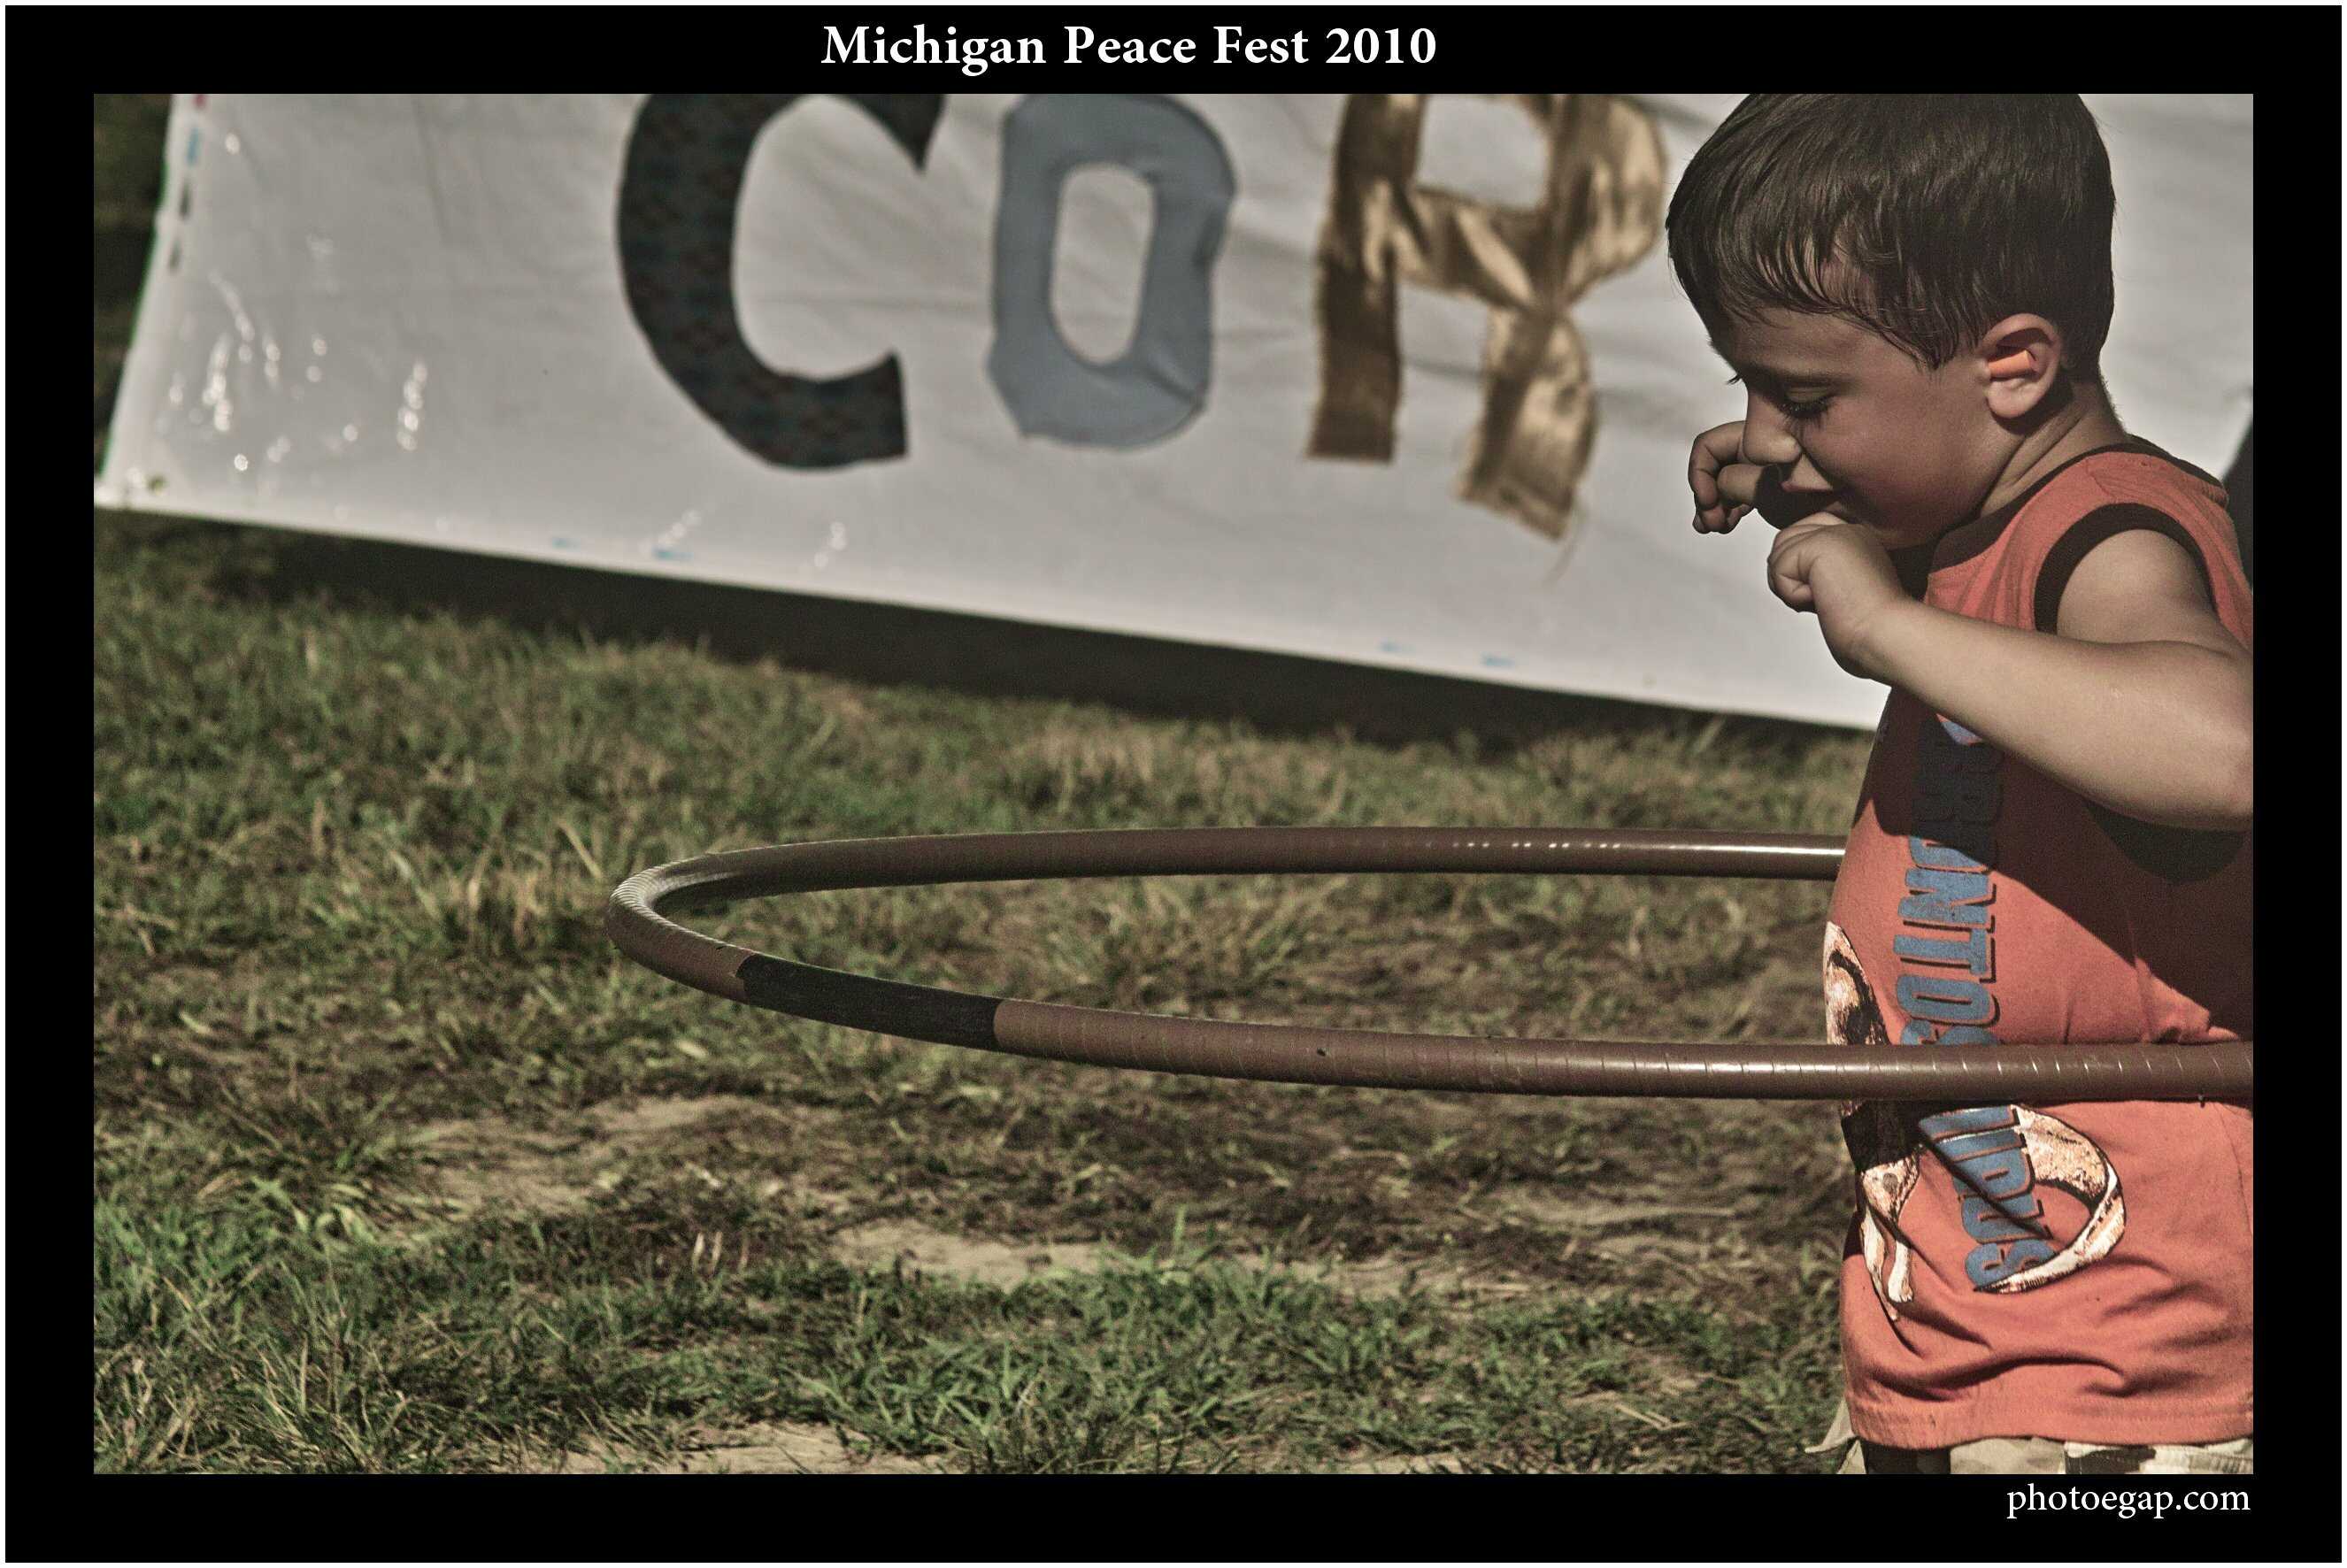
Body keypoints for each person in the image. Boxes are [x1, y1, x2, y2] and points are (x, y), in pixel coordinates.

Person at [1662, 94, 2252, 1477]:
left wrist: (1882, 626)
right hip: (1975, 1293)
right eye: (1747, 388)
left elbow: (2224, 745)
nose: (1763, 429)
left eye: (1807, 397)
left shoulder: (2113, 534)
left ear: (2014, 367)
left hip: (2132, 1352)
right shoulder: (1980, 520)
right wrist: (1818, 489)